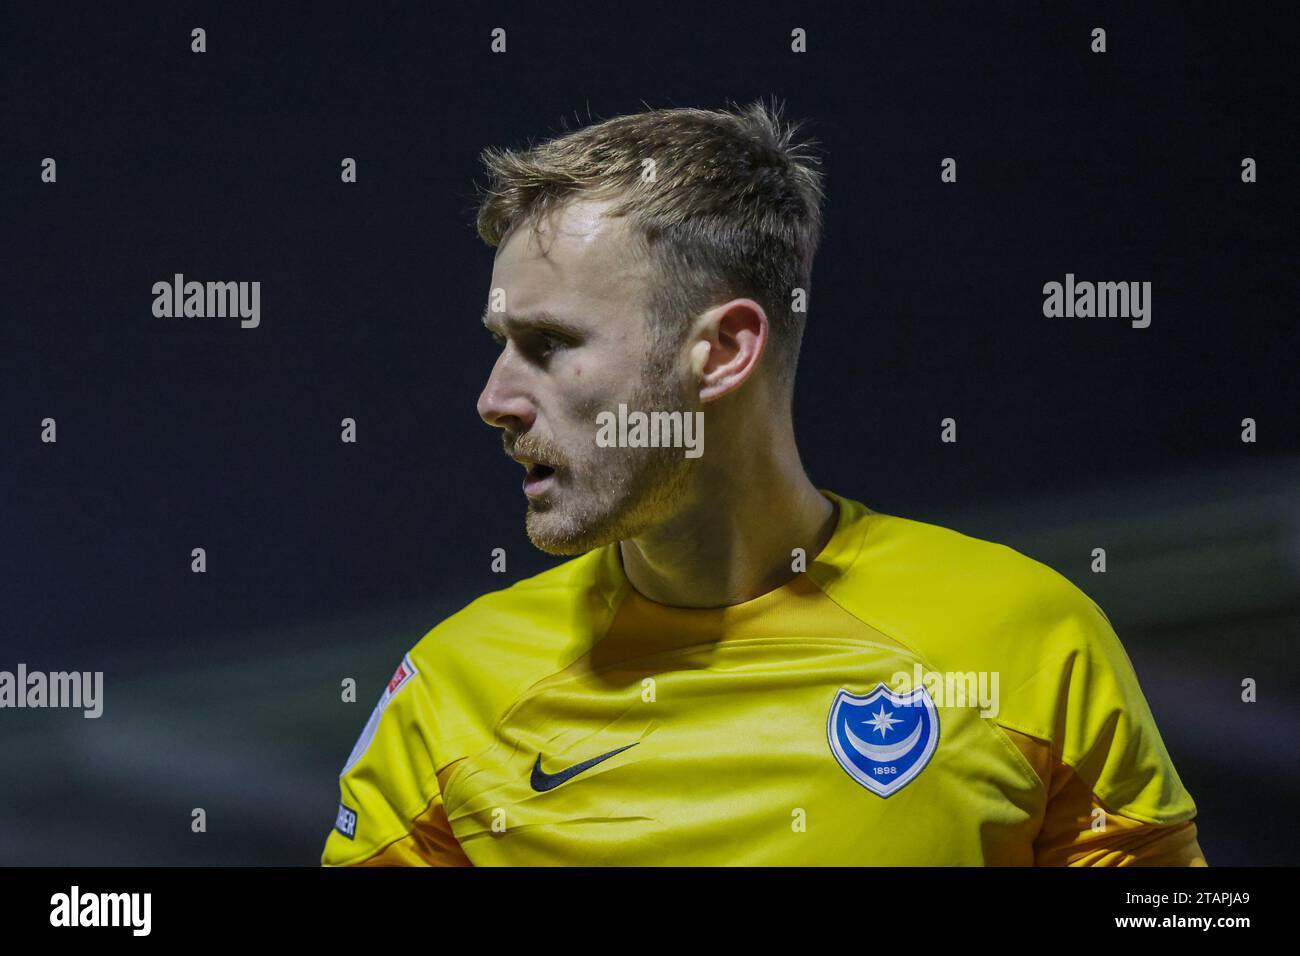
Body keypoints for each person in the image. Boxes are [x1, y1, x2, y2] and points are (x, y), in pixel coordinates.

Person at [321, 100, 1205, 866]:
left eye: (549, 344)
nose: (493, 401)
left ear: (725, 351)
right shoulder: (448, 693)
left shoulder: (1028, 638)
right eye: (499, 345)